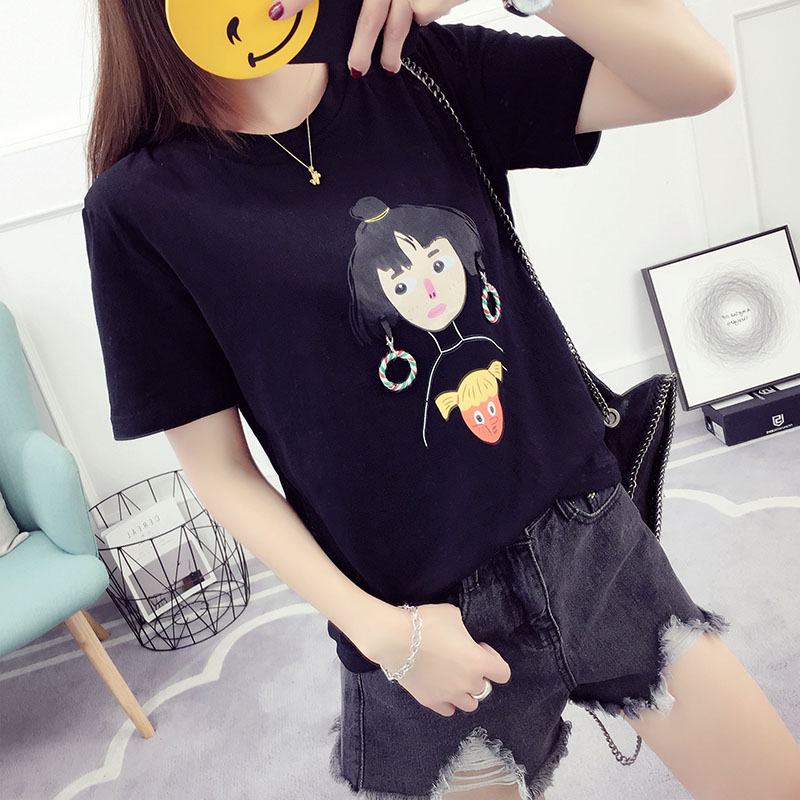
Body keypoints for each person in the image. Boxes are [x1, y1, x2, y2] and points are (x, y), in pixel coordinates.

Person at [80, 0, 800, 797]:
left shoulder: (421, 69)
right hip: (419, 626)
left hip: (591, 542)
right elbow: (220, 471)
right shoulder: (139, 207)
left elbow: (701, 78)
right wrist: (387, 637)